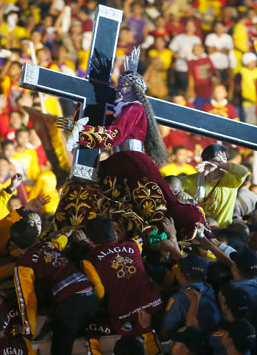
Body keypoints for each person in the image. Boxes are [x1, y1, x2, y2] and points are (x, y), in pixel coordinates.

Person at [57, 47, 204, 239]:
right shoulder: (124, 110)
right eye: (120, 84)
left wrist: (79, 130)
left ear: (135, 90)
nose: (119, 88)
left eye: (124, 85)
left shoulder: (134, 108)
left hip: (130, 162)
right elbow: (104, 125)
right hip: (121, 160)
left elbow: (113, 136)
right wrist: (77, 122)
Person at [10, 219, 98, 355]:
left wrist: (27, 331)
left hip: (71, 302)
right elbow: (60, 241)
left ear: (14, 244)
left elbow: (27, 299)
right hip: (90, 294)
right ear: (36, 236)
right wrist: (66, 234)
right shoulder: (48, 247)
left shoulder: (23, 265)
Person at [82, 216, 163, 335]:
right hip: (156, 305)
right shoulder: (133, 245)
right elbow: (140, 238)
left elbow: (99, 292)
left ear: (89, 241)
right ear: (115, 233)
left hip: (125, 317)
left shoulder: (89, 260)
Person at [181, 144, 250, 228]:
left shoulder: (230, 180)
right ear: (206, 162)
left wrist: (219, 165)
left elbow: (244, 172)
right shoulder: (190, 181)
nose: (222, 163)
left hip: (221, 231)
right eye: (217, 160)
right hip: (196, 229)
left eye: (224, 160)